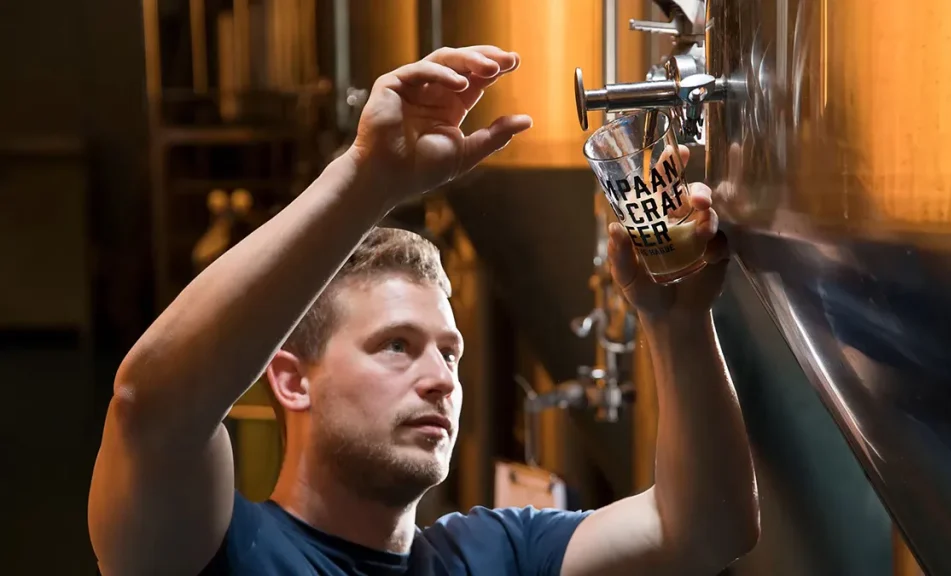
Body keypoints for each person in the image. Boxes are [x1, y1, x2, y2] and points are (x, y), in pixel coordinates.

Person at [88, 46, 759, 576]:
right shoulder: (220, 552)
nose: (441, 378)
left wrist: (678, 323)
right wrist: (368, 181)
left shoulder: (495, 553)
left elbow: (705, 530)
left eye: (450, 352)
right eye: (396, 346)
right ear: (291, 379)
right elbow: (151, 406)